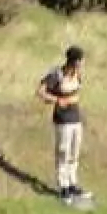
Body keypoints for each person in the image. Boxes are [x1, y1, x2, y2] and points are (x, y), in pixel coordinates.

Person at [37, 46, 89, 201]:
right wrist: (58, 100)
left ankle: (73, 183)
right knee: (63, 151)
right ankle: (63, 185)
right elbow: (40, 91)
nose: (82, 64)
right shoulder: (57, 74)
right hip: (62, 119)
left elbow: (77, 92)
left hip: (75, 117)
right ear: (73, 61)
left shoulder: (77, 75)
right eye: (80, 61)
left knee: (74, 152)